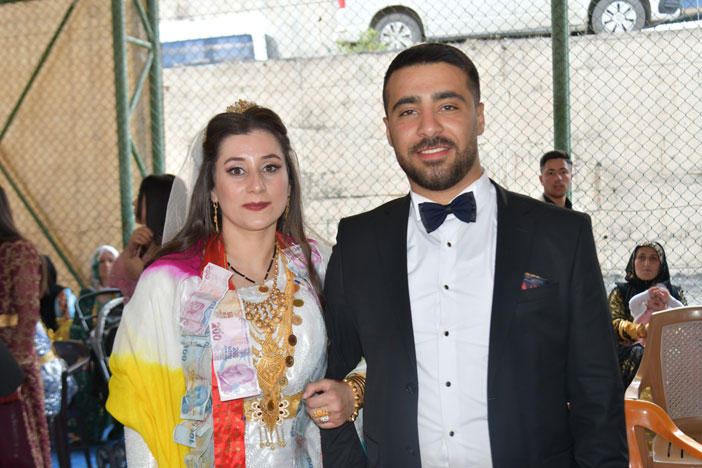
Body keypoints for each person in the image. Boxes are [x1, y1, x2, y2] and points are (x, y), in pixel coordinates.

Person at [320, 43, 627, 467]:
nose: (429, 128)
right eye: (408, 111)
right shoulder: (357, 241)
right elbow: (329, 375)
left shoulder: (562, 234)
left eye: (447, 106)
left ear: (479, 117)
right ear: (389, 130)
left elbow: (597, 390)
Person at [107, 101, 331, 467]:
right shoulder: (171, 282)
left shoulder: (318, 266)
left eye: (270, 167)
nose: (257, 185)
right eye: (236, 170)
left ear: (289, 181)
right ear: (212, 188)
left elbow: (369, 358)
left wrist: (351, 392)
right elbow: (143, 413)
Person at [0, 186, 51, 467]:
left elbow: (28, 312)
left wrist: (12, 369)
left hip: (11, 358)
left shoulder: (19, 251)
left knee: (18, 439)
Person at [609, 241, 686, 387]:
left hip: (669, 347)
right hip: (631, 351)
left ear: (661, 264)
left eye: (653, 258)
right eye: (641, 258)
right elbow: (613, 324)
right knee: (639, 353)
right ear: (633, 262)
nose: (646, 263)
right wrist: (643, 330)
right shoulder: (621, 292)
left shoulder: (673, 293)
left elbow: (685, 320)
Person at [109, 174, 175, 304]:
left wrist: (142, 274)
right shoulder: (144, 240)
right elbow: (114, 282)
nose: (133, 203)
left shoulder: (175, 245)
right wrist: (130, 249)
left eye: (140, 196)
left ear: (156, 202)